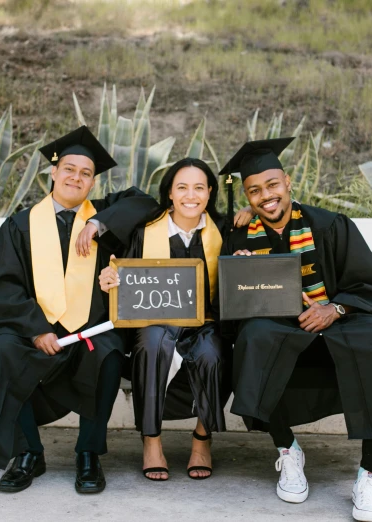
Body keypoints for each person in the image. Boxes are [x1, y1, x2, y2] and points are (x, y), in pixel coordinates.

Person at [218, 138, 372, 522]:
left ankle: (370, 473)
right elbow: (232, 299)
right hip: (283, 325)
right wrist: (244, 271)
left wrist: (333, 309)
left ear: (287, 182)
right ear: (247, 197)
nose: (265, 196)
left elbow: (370, 286)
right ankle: (288, 450)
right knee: (254, 340)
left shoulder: (329, 225)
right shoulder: (239, 233)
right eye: (254, 190)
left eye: (272, 185)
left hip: (338, 320)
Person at [0, 126, 159, 494]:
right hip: (36, 329)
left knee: (108, 352)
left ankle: (89, 453)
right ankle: (28, 452)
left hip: (88, 328)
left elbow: (146, 202)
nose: (76, 177)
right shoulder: (20, 225)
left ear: (92, 182)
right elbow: (3, 287)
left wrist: (97, 223)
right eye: (69, 169)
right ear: (53, 172)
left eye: (86, 173)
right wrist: (36, 329)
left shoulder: (105, 216)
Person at [99, 158, 251, 481]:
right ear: (170, 192)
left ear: (210, 192)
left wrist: (244, 247)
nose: (190, 196)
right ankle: (151, 441)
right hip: (155, 322)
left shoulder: (224, 230)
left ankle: (202, 439)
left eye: (199, 187)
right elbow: (122, 274)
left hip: (204, 324)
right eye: (182, 187)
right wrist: (110, 280)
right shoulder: (144, 230)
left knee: (214, 351)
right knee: (151, 342)